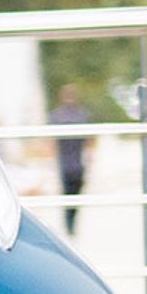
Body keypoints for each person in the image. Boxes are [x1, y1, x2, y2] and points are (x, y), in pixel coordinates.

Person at [51, 83, 94, 233]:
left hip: (78, 161)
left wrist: (89, 156)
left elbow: (89, 139)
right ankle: (69, 224)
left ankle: (72, 222)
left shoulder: (82, 115)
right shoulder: (57, 116)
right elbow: (51, 140)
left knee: (77, 192)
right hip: (64, 161)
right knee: (66, 192)